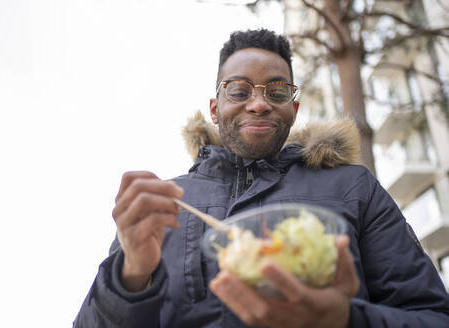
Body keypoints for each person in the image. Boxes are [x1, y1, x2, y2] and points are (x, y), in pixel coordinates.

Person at [73, 29, 449, 327]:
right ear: (216, 109)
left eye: (277, 90)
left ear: (293, 108)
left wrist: (346, 320)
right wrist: (132, 274)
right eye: (239, 90)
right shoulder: (165, 204)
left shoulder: (354, 188)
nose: (258, 102)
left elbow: (433, 316)